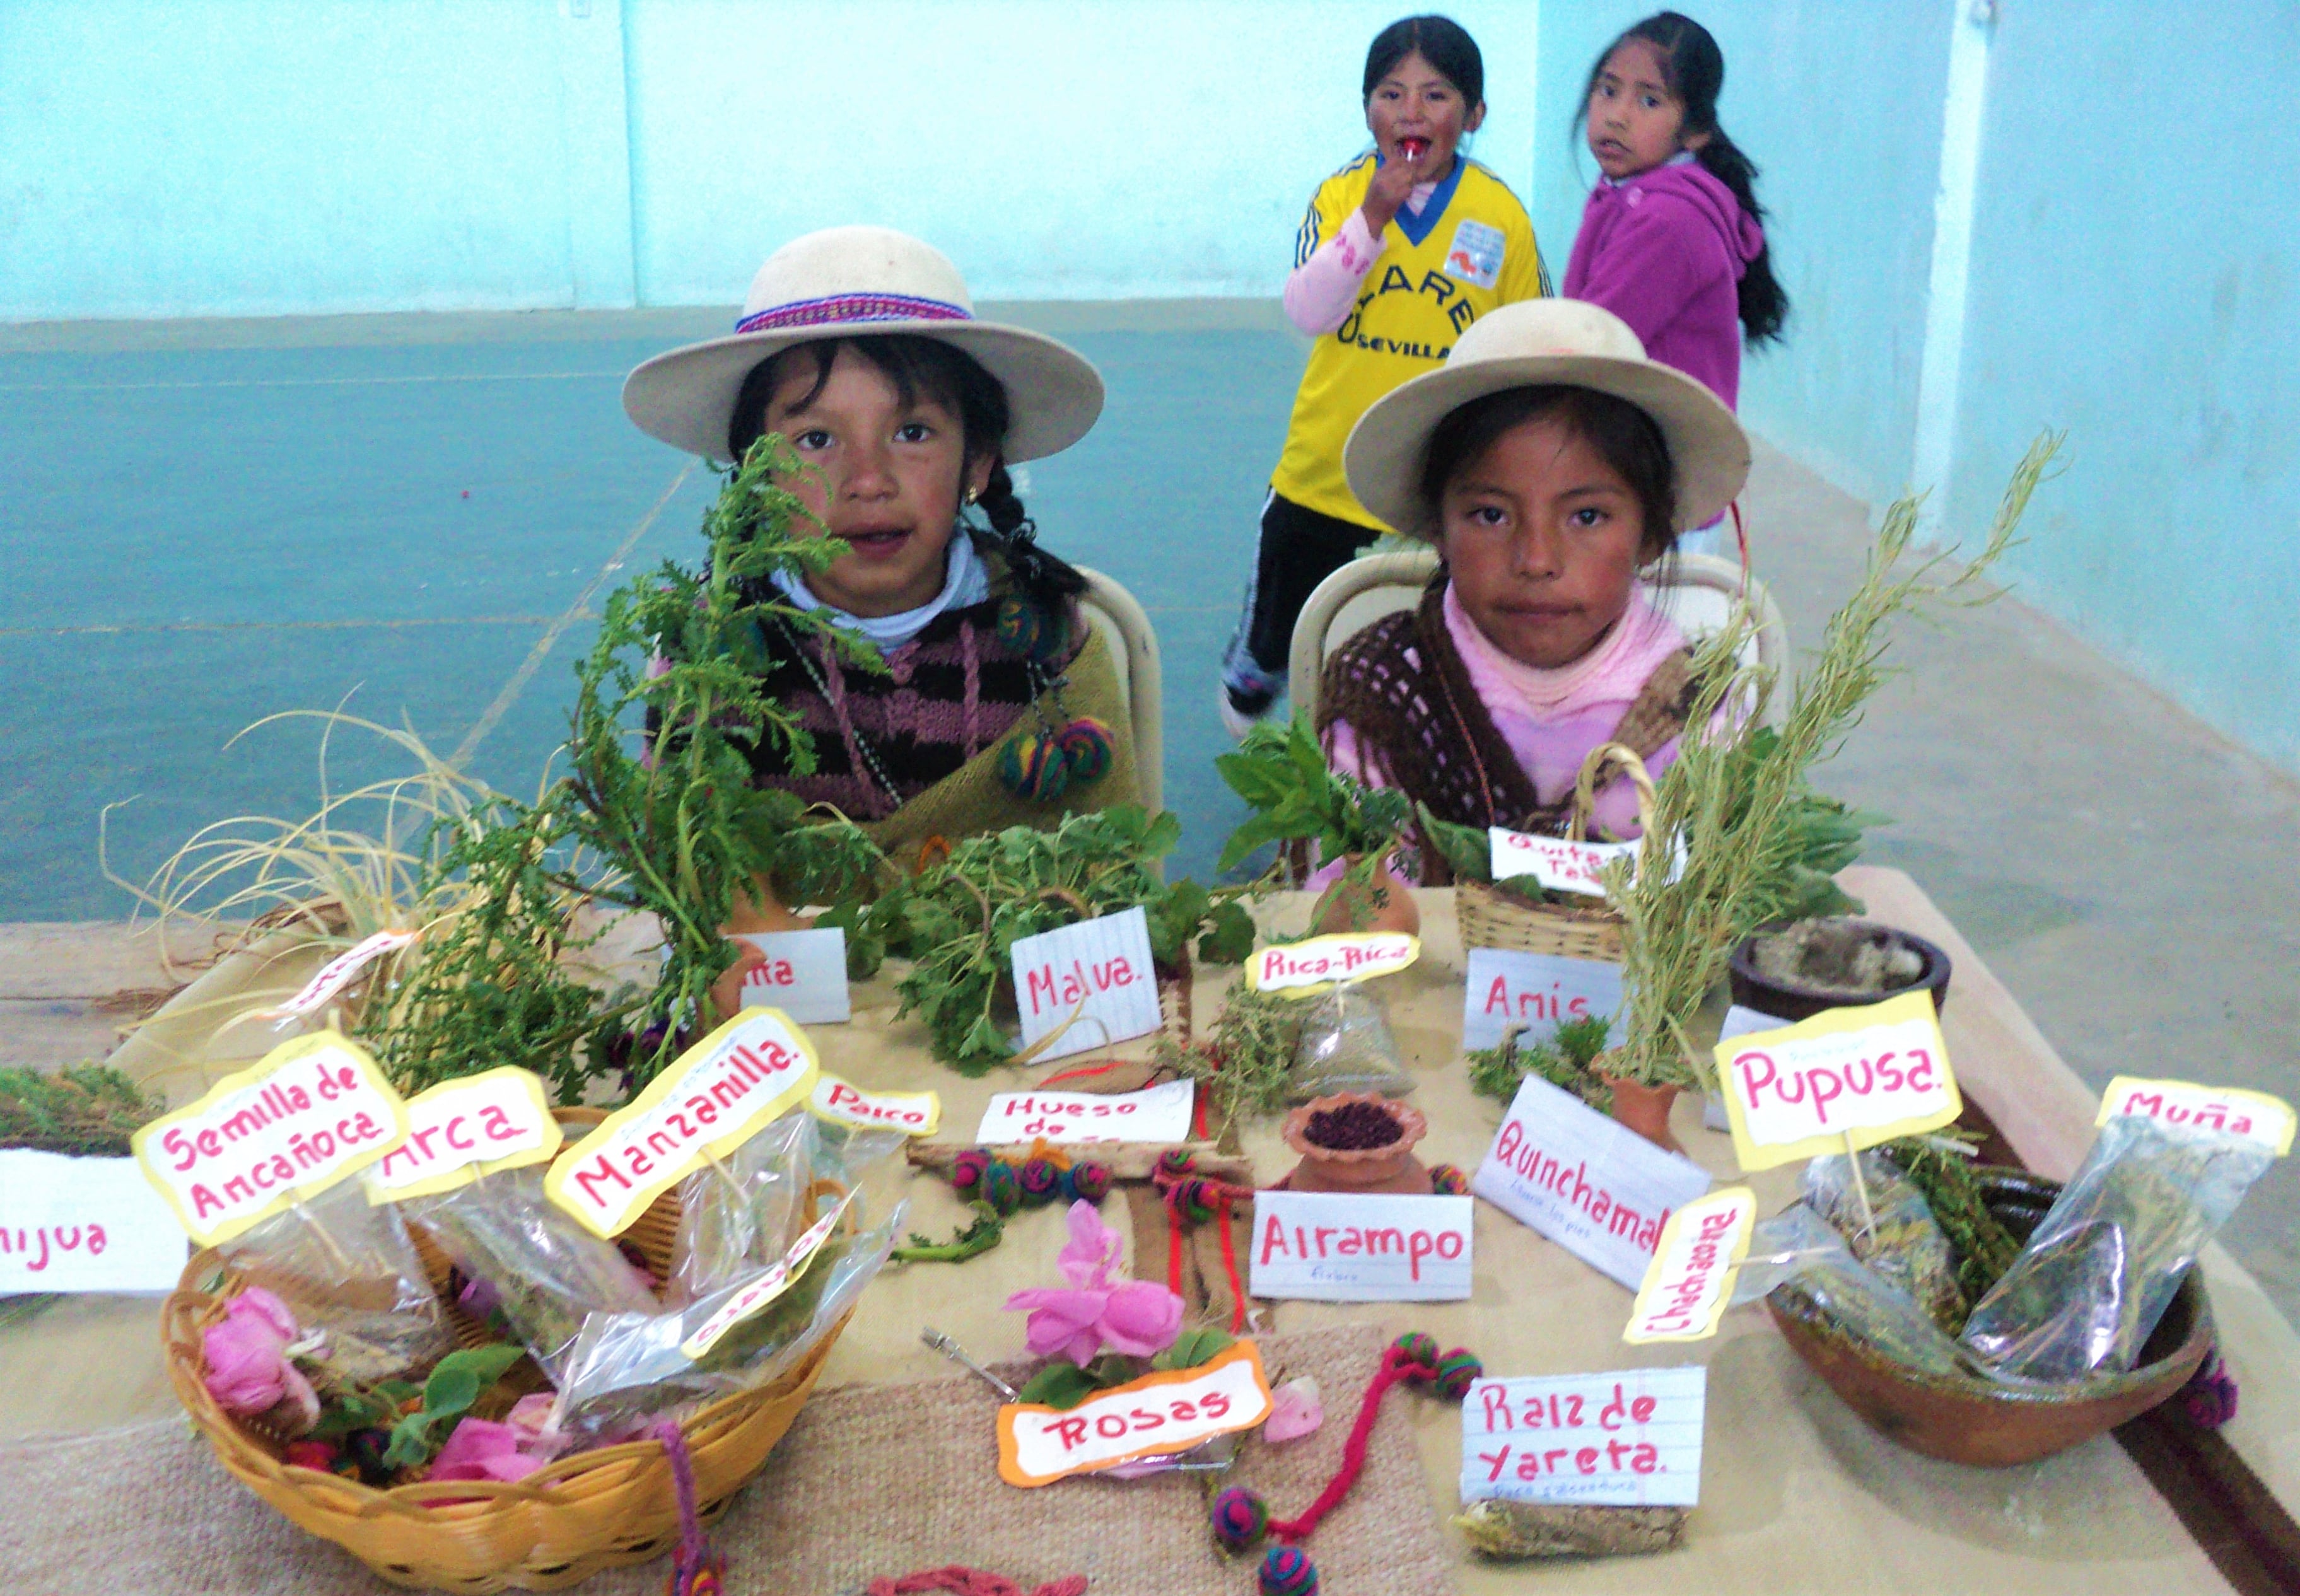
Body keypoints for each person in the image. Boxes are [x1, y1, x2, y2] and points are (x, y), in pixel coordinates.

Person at [621, 225, 1141, 867]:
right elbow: (685, 868)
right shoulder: (712, 654)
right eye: (816, 440)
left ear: (978, 460)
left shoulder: (1042, 638)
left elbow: (1106, 865)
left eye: (913, 431)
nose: (868, 481)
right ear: (757, 477)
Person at [1313, 298, 1751, 875]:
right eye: (1491, 515)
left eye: (1587, 516)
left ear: (1650, 535)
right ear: (1438, 528)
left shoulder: (1699, 707)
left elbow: (1719, 903)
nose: (1536, 560)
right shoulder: (1384, 694)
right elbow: (1354, 903)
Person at [1218, 14, 1549, 739]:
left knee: (1426, 647)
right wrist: (1371, 219)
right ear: (1365, 108)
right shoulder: (1341, 197)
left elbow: (1530, 340)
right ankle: (1260, 712)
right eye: (1390, 93)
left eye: (1434, 96)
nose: (1409, 112)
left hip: (1441, 482)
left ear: (1474, 115)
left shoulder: (1500, 217)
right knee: (1269, 654)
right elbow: (1306, 310)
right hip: (1323, 472)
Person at [1562, 13, 1785, 554]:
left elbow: (1592, 341)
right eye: (1607, 90)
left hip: (1658, 490)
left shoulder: (1667, 221)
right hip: (1639, 469)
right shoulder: (1631, 191)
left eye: (1648, 101)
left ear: (1696, 131)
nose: (1615, 116)